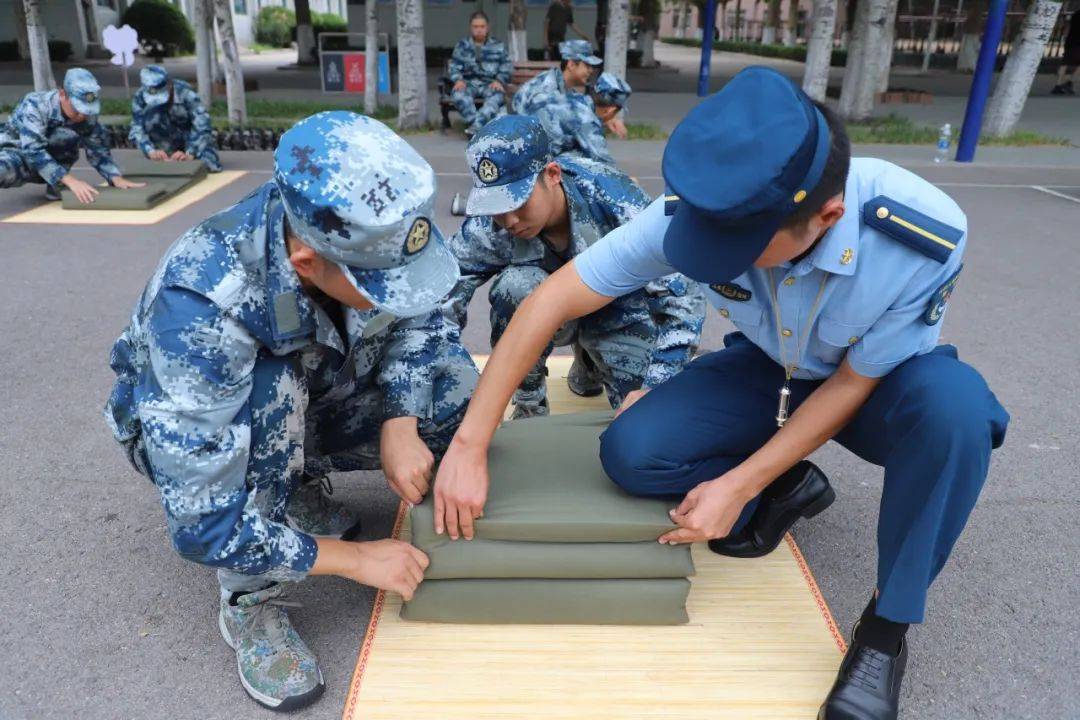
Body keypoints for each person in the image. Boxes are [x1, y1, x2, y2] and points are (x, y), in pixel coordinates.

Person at [433, 68, 1009, 720]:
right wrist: (471, 442)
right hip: (772, 370)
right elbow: (551, 300)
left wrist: (735, 483)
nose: (710, 254)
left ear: (825, 216)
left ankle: (886, 629)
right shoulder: (706, 208)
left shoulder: (918, 232)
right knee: (633, 450)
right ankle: (788, 489)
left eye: (735, 247)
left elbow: (853, 382)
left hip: (876, 384)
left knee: (955, 416)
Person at [104, 111, 477, 711]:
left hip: (319, 384)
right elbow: (203, 524)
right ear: (307, 262)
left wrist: (399, 421)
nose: (399, 292)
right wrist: (358, 560)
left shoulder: (363, 230)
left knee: (455, 390)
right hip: (215, 435)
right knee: (271, 395)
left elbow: (426, 311)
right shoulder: (202, 304)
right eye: (382, 284)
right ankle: (249, 601)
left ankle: (293, 492)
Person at [445, 114, 704, 419]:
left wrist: (656, 384)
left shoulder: (615, 199)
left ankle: (590, 364)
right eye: (497, 208)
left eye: (518, 203)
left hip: (618, 312)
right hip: (545, 317)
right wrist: (450, 373)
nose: (509, 220)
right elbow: (445, 288)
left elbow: (683, 297)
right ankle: (529, 406)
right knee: (516, 285)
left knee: (642, 414)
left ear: (552, 175)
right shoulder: (494, 224)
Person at [0, 68, 144, 203]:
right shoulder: (36, 105)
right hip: (16, 153)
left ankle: (57, 184)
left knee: (67, 136)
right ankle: (61, 180)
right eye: (77, 108)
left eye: (87, 110)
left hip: (49, 162)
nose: (82, 115)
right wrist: (71, 181)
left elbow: (97, 148)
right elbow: (32, 151)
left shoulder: (86, 114)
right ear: (62, 95)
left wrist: (115, 177)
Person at [129, 64, 222, 172]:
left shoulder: (186, 93)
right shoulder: (140, 97)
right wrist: (150, 151)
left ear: (168, 85)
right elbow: (137, 128)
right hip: (162, 144)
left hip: (192, 140)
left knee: (208, 166)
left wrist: (190, 153)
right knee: (160, 171)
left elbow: (203, 125)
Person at [534, 71, 631, 165]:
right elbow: (605, 166)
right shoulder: (588, 121)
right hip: (531, 164)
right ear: (610, 110)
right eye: (616, 112)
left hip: (526, 145)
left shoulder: (576, 98)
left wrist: (606, 120)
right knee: (584, 162)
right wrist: (629, 181)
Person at [449, 11, 513, 137]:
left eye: (482, 27)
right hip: (468, 83)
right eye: (476, 27)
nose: (479, 30)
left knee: (497, 96)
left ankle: (475, 128)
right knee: (457, 95)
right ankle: (479, 126)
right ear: (471, 28)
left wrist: (499, 80)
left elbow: (506, 66)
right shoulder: (462, 46)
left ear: (487, 27)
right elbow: (454, 66)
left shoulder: (498, 46)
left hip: (489, 84)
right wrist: (458, 79)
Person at [513, 39, 603, 118]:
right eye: (587, 65)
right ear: (571, 65)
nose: (591, 70)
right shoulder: (547, 89)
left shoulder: (563, 86)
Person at [1051, 11, 1078, 95]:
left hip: (1071, 40)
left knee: (1065, 63)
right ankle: (1069, 82)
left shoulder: (1075, 14)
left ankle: (1058, 85)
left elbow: (1068, 27)